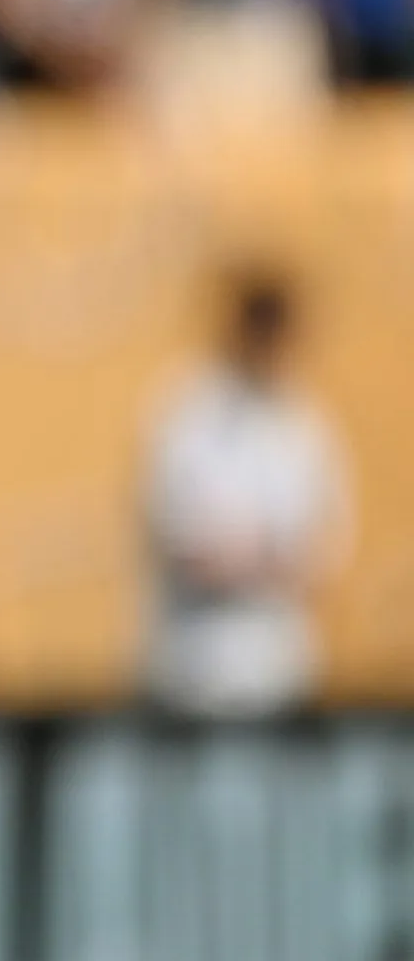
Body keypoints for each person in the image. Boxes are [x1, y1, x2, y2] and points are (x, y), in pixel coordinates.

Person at [143, 268, 352, 720]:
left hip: (275, 674)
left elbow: (324, 550)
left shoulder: (304, 426)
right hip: (191, 673)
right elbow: (177, 541)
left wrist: (251, 560)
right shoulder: (187, 415)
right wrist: (257, 560)